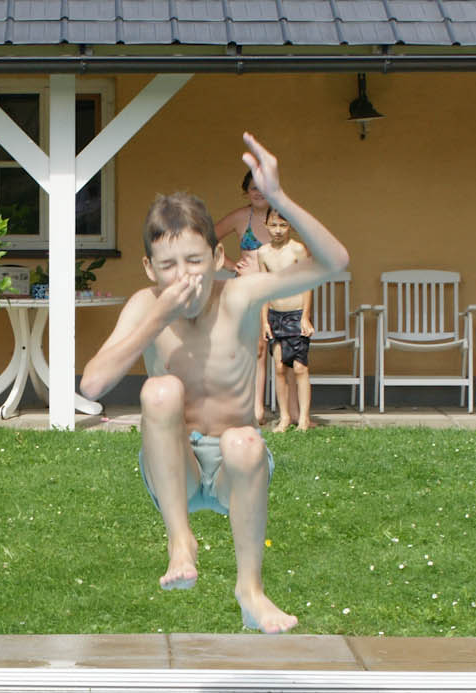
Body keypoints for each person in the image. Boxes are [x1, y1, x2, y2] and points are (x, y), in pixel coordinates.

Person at [79, 134, 349, 634]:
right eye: (168, 266)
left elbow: (335, 262)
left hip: (235, 465)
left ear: (218, 256)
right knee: (159, 391)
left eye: (195, 261)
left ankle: (251, 591)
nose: (184, 276)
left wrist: (279, 197)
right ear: (149, 269)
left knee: (244, 442)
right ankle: (180, 540)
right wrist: (157, 316)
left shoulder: (239, 298)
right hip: (174, 464)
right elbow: (93, 385)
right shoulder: (146, 305)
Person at [216, 170, 273, 423]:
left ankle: (273, 409)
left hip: (276, 289)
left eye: (263, 187)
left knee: (271, 349)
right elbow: (207, 239)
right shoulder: (240, 217)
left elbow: (305, 245)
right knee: (251, 346)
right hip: (247, 289)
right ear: (246, 191)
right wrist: (231, 265)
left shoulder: (282, 217)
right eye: (253, 188)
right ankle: (250, 407)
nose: (259, 192)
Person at [257, 208, 315, 432]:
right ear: (266, 225)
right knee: (280, 368)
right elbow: (264, 288)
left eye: (283, 225)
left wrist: (305, 317)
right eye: (274, 225)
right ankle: (284, 417)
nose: (278, 230)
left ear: (290, 226)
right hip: (275, 315)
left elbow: (307, 283)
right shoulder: (263, 253)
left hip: (296, 314)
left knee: (299, 367)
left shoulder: (297, 249)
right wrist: (265, 321)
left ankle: (304, 419)